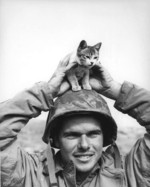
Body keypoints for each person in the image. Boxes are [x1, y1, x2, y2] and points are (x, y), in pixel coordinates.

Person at [0, 54, 150, 187]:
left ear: (105, 137)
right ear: (55, 140)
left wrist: (114, 89)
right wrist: (47, 91)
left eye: (93, 134)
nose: (84, 145)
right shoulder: (30, 174)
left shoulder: (130, 173)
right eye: (72, 135)